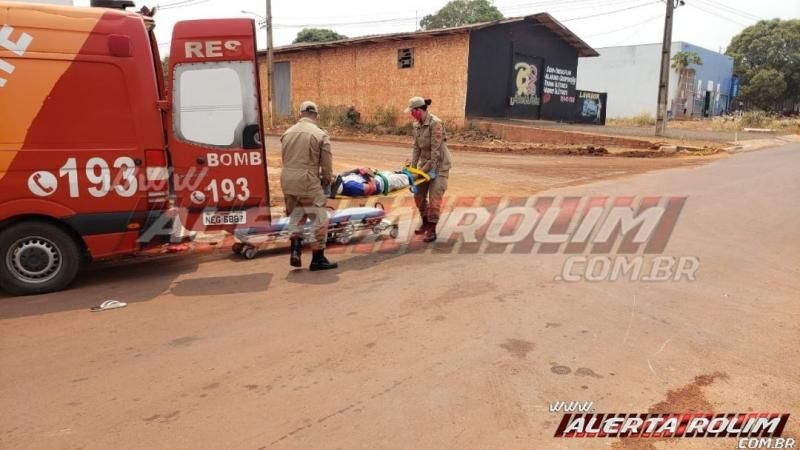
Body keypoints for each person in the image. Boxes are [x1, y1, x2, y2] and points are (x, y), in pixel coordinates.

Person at [280, 101, 337, 271]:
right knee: (320, 219)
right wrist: (326, 181)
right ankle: (318, 258)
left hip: (287, 180)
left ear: (300, 114)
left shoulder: (287, 133)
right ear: (316, 115)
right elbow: (326, 165)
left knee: (297, 216)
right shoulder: (320, 135)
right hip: (307, 180)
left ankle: (295, 251)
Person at [405, 96, 452, 242]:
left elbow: (436, 151)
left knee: (434, 198)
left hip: (440, 165)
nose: (411, 114)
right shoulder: (416, 125)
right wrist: (413, 170)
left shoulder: (435, 123)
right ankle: (425, 222)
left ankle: (432, 229)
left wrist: (432, 170)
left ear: (418, 110)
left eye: (412, 111)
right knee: (418, 195)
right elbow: (416, 148)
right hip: (425, 165)